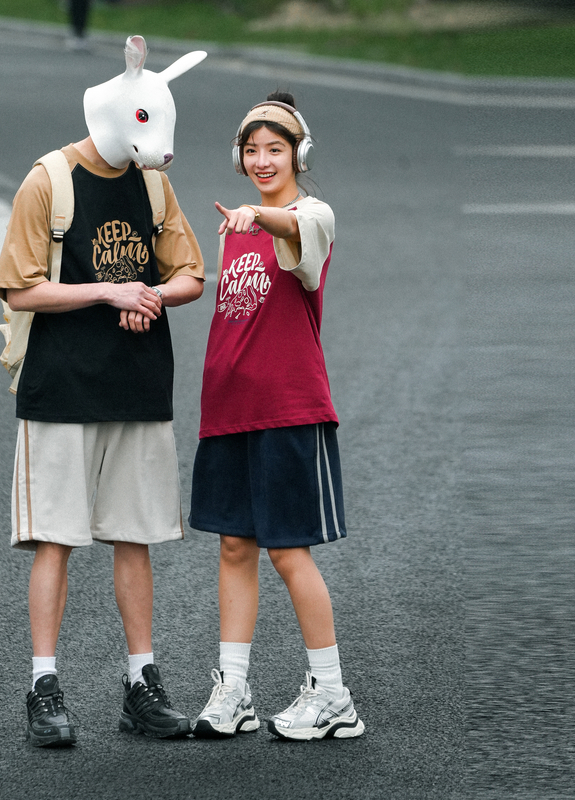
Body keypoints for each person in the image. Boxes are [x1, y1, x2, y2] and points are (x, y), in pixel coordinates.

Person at [0, 120, 205, 744]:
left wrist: (149, 298)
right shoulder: (48, 180)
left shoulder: (154, 184)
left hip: (137, 385)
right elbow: (19, 288)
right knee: (54, 539)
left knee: (133, 536)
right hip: (60, 388)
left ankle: (141, 683)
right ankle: (43, 687)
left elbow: (190, 274)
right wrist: (111, 293)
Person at [189, 91, 365, 742]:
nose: (263, 161)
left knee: (289, 552)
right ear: (239, 157)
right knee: (235, 547)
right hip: (229, 412)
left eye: (276, 150)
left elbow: (296, 229)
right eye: (253, 151)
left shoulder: (309, 217)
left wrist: (262, 220)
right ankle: (233, 691)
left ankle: (334, 696)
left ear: (299, 154)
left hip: (289, 410)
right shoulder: (237, 228)